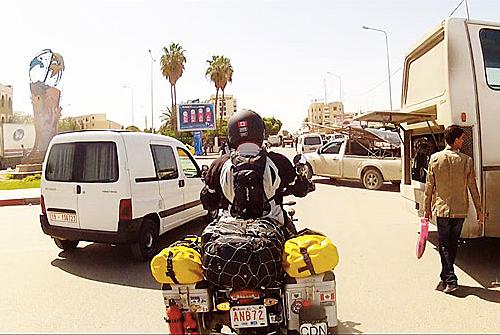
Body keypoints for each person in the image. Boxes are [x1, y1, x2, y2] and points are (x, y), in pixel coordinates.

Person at [201, 109, 312, 231]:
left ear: (231, 134)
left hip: (230, 229)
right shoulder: (278, 161)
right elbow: (300, 190)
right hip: (273, 228)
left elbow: (209, 203)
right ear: (261, 132)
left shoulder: (219, 164)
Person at [424, 125, 484, 294]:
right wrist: (479, 209)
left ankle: (449, 279)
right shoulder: (466, 160)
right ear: (456, 139)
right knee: (451, 245)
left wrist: (426, 208)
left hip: (442, 210)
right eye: (462, 138)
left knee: (445, 245)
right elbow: (473, 187)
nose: (463, 141)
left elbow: (429, 188)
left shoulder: (435, 159)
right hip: (460, 210)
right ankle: (447, 278)